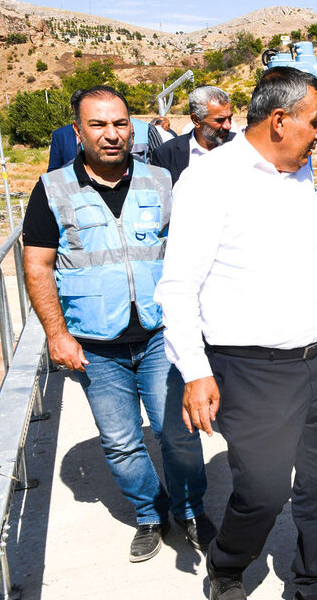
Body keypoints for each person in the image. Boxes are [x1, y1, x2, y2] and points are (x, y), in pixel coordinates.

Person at [155, 67, 317, 600]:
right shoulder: (209, 182)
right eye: (316, 120)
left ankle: (313, 588)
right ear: (280, 120)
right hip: (251, 367)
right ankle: (228, 570)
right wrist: (195, 372)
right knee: (261, 489)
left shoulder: (299, 172)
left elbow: (310, 264)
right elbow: (177, 287)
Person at [22, 85, 213, 562]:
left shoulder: (162, 182)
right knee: (122, 442)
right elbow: (37, 266)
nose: (112, 134)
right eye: (99, 124)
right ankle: (150, 514)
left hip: (160, 337)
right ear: (77, 132)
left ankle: (190, 511)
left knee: (179, 433)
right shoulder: (52, 190)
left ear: (135, 127)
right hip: (95, 344)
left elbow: (192, 254)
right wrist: (57, 334)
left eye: (121, 123)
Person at [149, 86, 236, 183]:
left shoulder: (241, 145)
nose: (228, 126)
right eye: (220, 120)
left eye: (230, 118)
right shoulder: (165, 154)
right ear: (196, 120)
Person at [45, 91, 82, 171]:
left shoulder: (104, 133)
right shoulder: (60, 135)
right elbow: (53, 170)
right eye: (78, 107)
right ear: (73, 108)